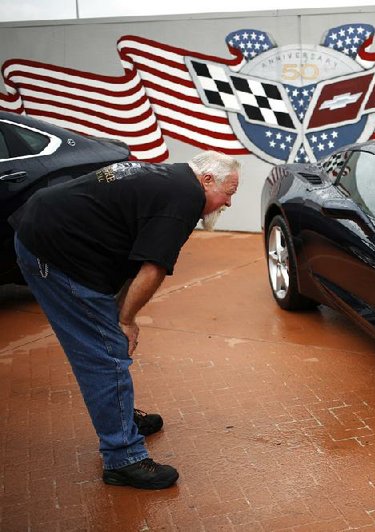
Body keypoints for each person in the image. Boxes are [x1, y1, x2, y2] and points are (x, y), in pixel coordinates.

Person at [11, 151, 240, 489]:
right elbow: (152, 267)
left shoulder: (171, 178)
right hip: (55, 251)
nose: (229, 203)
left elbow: (135, 256)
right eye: (229, 193)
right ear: (206, 180)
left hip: (51, 231)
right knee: (104, 354)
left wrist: (120, 314)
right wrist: (127, 320)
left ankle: (118, 415)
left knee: (109, 342)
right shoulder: (184, 198)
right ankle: (123, 458)